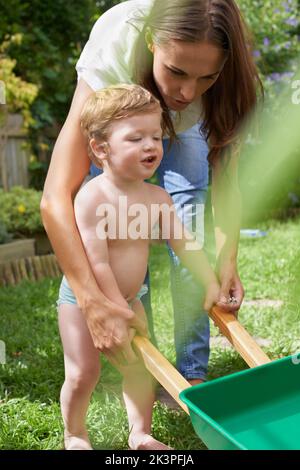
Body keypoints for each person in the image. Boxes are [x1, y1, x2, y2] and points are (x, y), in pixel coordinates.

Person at [41, 0, 262, 385]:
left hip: (180, 98)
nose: (187, 92)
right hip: (125, 102)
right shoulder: (114, 50)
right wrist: (94, 303)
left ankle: (192, 373)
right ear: (150, 43)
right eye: (176, 71)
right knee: (120, 224)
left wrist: (227, 262)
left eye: (205, 77)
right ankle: (143, 364)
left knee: (189, 213)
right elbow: (55, 197)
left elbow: (227, 182)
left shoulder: (221, 75)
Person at [57, 83, 220, 450]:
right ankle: (75, 433)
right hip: (87, 300)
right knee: (84, 372)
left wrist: (209, 280)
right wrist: (118, 309)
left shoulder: (158, 198)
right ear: (101, 149)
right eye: (135, 138)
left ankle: (140, 432)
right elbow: (97, 263)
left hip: (132, 297)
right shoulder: (92, 198)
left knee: (138, 369)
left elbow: (184, 243)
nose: (151, 146)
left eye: (156, 137)